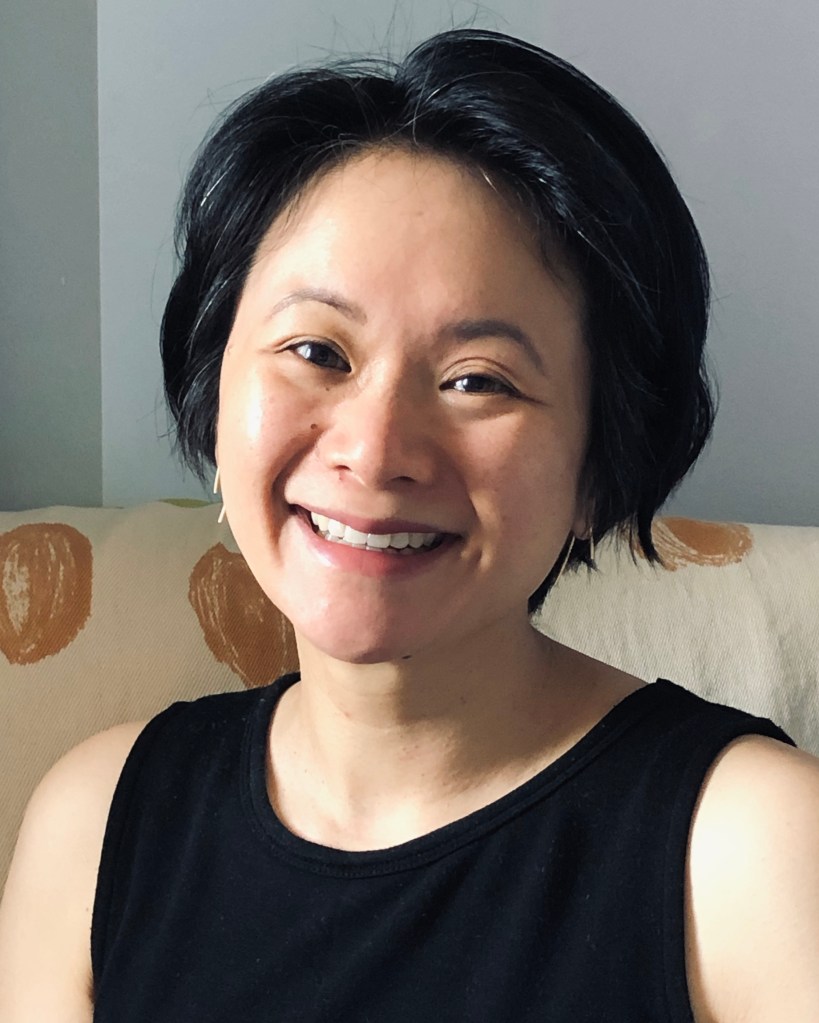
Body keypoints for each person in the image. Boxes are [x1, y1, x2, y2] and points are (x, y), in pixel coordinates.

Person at [1, 28, 818, 1022]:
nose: (376, 448)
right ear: (215, 395)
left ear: (600, 469)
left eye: (478, 380)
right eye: (317, 351)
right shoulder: (97, 824)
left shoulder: (751, 850)